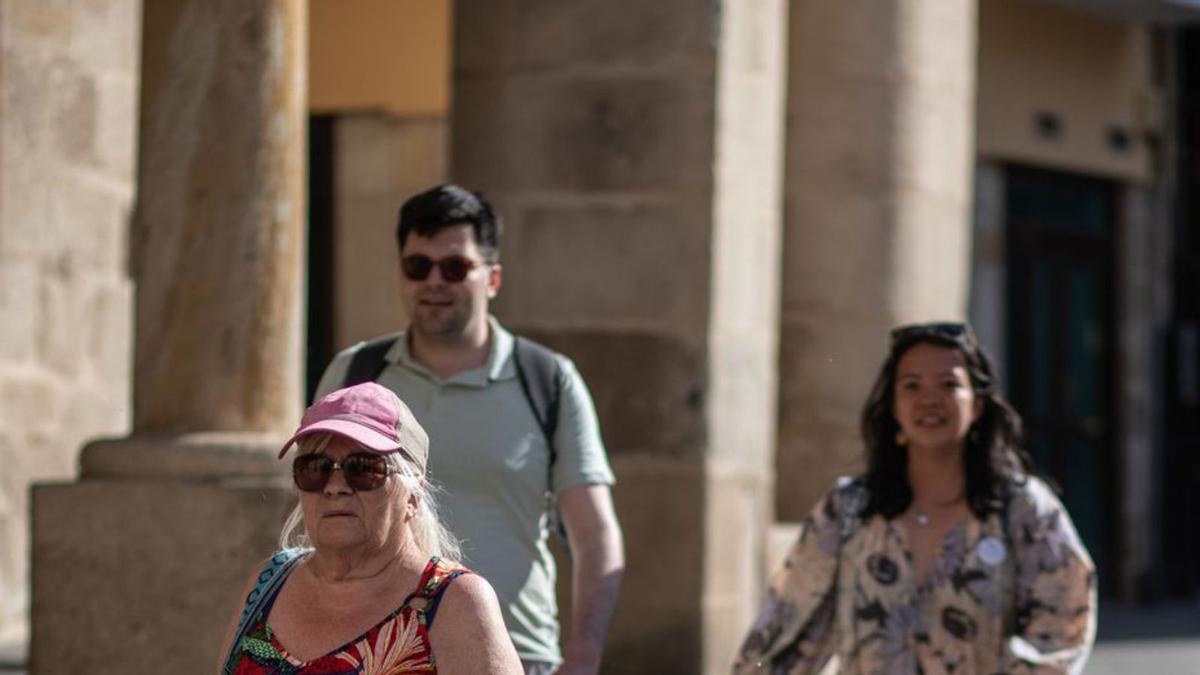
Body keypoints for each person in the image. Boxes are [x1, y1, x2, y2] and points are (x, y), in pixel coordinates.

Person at [313, 185, 625, 675]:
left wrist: (584, 657)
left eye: (455, 267)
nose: (435, 281)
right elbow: (313, 511)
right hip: (376, 652)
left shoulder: (548, 380)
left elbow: (595, 532)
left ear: (493, 278)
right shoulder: (356, 374)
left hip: (518, 655)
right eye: (419, 265)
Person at [732, 322, 1097, 674]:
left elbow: (1063, 627)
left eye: (948, 385)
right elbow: (784, 631)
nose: (929, 400)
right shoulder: (848, 510)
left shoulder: (1024, 509)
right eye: (911, 386)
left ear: (978, 404)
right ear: (893, 404)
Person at [219, 382, 523, 674]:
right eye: (315, 468)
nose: (335, 487)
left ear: (414, 493)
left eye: (363, 469)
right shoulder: (271, 580)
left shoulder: (456, 602)